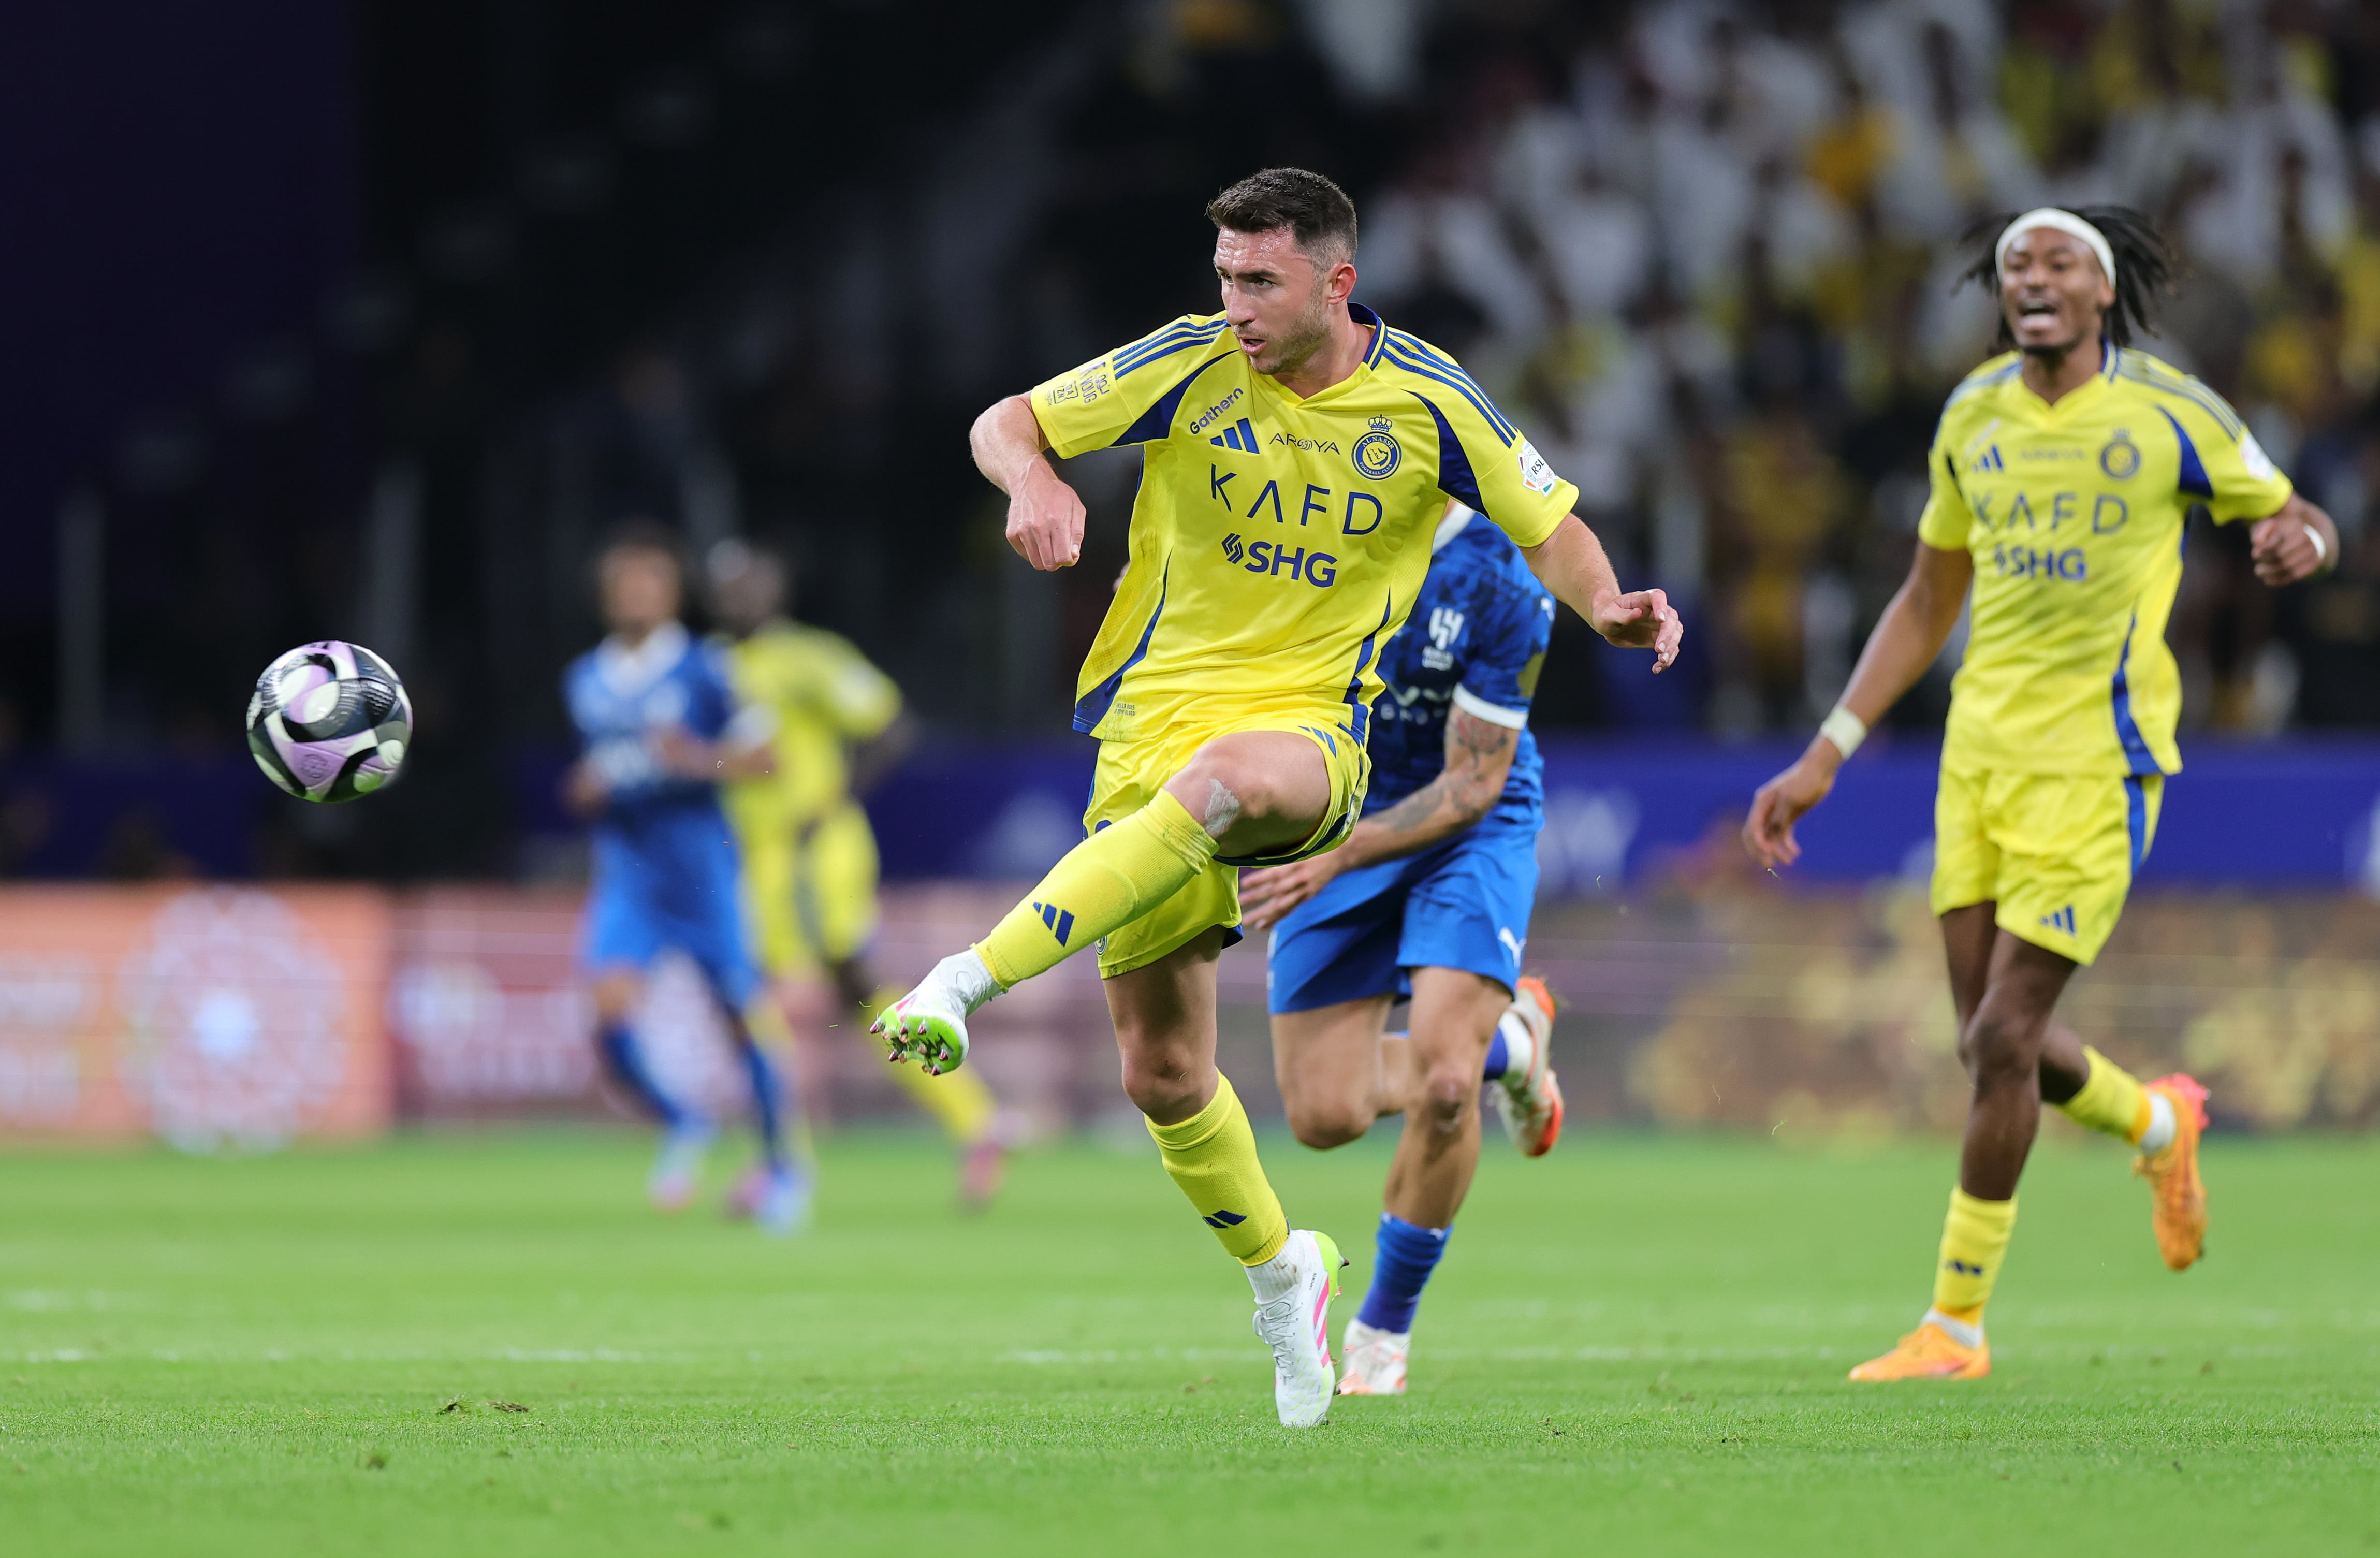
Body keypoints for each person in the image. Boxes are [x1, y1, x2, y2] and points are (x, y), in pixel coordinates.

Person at [873, 167, 1682, 1426]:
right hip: (1145, 726)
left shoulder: (1426, 397)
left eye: (1260, 279)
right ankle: (1280, 1271)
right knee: (1163, 1071)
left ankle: (962, 978)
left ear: (1335, 280)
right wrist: (1032, 480)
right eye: (1224, 278)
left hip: (1311, 736)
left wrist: (1612, 602)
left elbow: (1551, 522)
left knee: (1226, 782)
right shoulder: (1190, 363)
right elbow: (1006, 419)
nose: (1235, 303)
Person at [1743, 207, 2339, 1381]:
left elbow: (2290, 513)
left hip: (2099, 763)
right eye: (2017, 263)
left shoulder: (2175, 411)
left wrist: (2302, 545)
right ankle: (2159, 1122)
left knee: (2001, 1033)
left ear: (2101, 290)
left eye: (2059, 261)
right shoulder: (1972, 416)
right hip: (1977, 760)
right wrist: (1827, 750)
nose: (2034, 277)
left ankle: (1954, 1328)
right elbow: (1925, 598)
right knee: (1993, 1049)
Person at [1237, 500, 1566, 1398]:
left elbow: (1470, 783)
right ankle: (1516, 1042)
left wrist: (1337, 856)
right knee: (1323, 1114)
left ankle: (1382, 1327)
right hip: (1335, 804)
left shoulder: (1502, 574)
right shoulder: (1302, 527)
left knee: (1445, 1084)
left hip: (1467, 824)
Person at [706, 539, 1009, 1208]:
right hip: (760, 855)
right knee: (852, 992)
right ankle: (977, 1121)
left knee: (769, 995)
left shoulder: (806, 658)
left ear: (776, 588)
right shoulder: (712, 668)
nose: (738, 596)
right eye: (726, 586)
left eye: (750, 582)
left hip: (815, 851)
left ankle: (782, 1163)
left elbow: (892, 726)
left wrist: (831, 801)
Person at [563, 522, 809, 1235]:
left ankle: (782, 1168)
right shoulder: (585, 679)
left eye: (651, 581)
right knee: (607, 1020)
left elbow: (766, 760)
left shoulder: (705, 668)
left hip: (702, 869)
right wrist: (586, 787)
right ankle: (684, 1120)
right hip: (629, 874)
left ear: (671, 594)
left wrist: (699, 761)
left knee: (740, 1017)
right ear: (608, 598)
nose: (637, 595)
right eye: (625, 584)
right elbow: (600, 770)